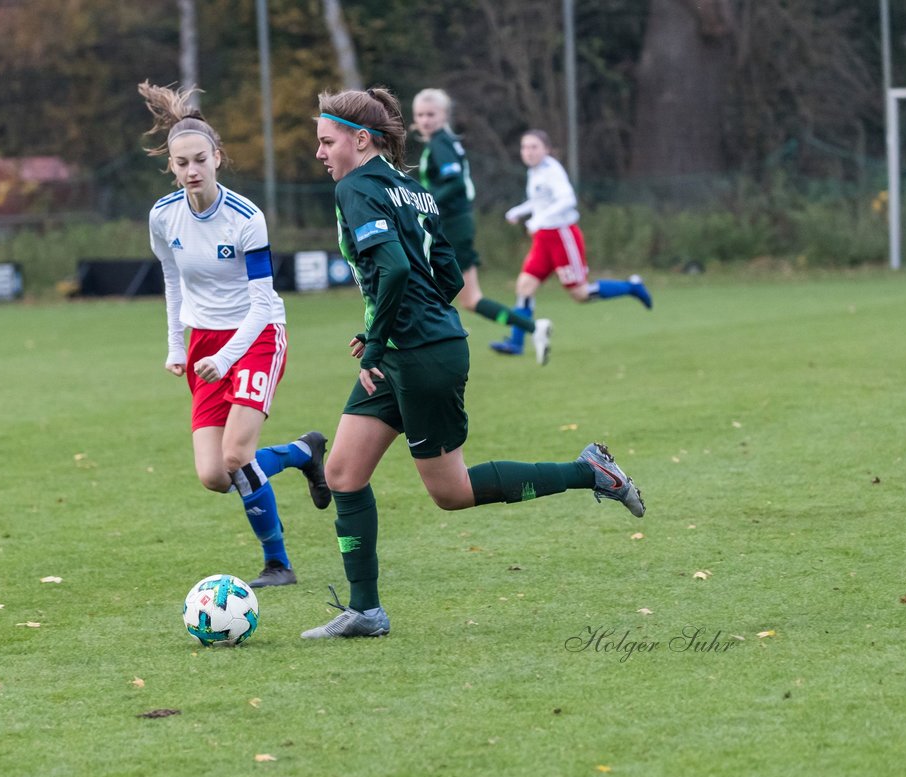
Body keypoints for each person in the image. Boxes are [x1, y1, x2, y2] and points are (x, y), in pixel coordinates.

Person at [303, 87, 645, 640]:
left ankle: (592, 472)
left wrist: (379, 340)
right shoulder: (414, 191)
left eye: (326, 141)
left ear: (359, 140)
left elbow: (391, 270)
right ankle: (365, 611)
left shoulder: (356, 188)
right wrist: (386, 332)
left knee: (452, 492)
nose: (319, 153)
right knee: (342, 472)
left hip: (414, 356)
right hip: (411, 348)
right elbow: (449, 277)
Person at [140, 81, 330, 590]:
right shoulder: (163, 216)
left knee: (236, 456)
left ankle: (278, 563)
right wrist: (177, 346)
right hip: (203, 344)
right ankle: (302, 453)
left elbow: (264, 303)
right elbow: (172, 279)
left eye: (200, 159)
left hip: (257, 337)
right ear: (171, 166)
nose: (191, 171)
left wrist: (227, 360)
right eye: (181, 164)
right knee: (214, 476)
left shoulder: (246, 218)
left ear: (218, 157)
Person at [411, 89, 549, 362]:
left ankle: (430, 348)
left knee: (426, 288)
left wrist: (422, 204)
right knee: (471, 299)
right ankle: (533, 327)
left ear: (444, 115)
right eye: (420, 115)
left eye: (431, 114)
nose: (425, 120)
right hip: (458, 224)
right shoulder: (444, 142)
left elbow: (454, 183)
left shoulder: (440, 143)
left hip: (450, 228)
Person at [494, 129, 652, 361]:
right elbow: (540, 201)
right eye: (524, 147)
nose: (528, 152)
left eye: (534, 147)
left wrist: (538, 219)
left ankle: (632, 287)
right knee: (524, 287)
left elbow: (567, 199)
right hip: (543, 240)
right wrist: (520, 211)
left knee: (580, 294)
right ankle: (516, 343)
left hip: (562, 237)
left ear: (546, 150)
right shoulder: (535, 171)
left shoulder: (552, 171)